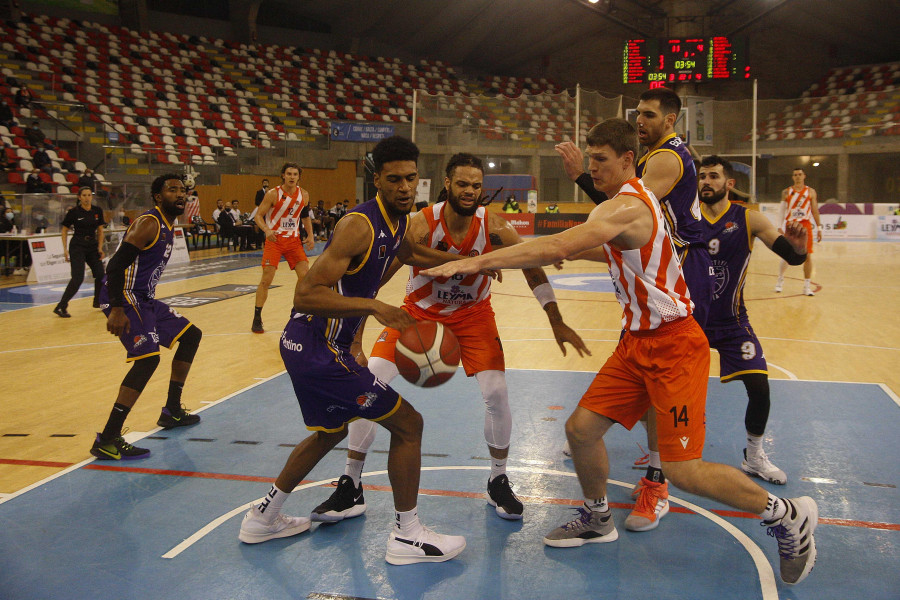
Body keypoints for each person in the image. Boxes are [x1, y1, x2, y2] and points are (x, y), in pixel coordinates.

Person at [421, 119, 819, 586]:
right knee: (581, 430)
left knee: (683, 469)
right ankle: (597, 517)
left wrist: (477, 260)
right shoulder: (620, 208)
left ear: (628, 160)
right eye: (589, 159)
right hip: (636, 343)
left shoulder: (629, 205)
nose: (592, 168)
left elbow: (564, 241)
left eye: (601, 160)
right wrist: (567, 252)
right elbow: (605, 248)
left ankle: (786, 514)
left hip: (674, 344)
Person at [311, 152, 589, 524]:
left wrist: (554, 318)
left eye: (476, 185)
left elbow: (531, 266)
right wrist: (357, 337)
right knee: (370, 383)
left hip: (473, 316)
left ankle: (498, 478)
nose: (470, 191)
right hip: (418, 313)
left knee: (497, 393)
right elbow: (376, 279)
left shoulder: (494, 226)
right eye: (463, 184)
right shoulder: (422, 225)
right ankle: (351, 483)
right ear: (448, 184)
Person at [238, 136, 467, 566]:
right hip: (318, 347)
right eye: (394, 179)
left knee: (331, 432)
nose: (404, 187)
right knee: (409, 425)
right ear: (376, 179)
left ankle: (262, 517)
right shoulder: (359, 225)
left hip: (315, 345)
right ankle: (407, 536)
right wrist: (375, 308)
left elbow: (409, 252)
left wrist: (471, 262)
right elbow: (306, 294)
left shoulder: (398, 220)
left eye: (411, 179)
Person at [558, 88, 713, 532]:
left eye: (649, 114)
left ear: (671, 119)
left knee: (659, 363)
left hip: (681, 269)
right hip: (664, 271)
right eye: (637, 114)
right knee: (643, 363)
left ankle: (659, 480)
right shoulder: (657, 157)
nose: (641, 120)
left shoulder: (665, 158)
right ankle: (637, 450)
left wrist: (581, 183)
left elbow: (625, 211)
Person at [699, 156, 810, 485]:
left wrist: (800, 248)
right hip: (692, 321)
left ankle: (754, 456)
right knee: (654, 381)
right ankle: (599, 431)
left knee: (760, 388)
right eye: (702, 176)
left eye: (714, 176)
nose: (706, 181)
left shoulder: (749, 219)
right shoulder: (685, 218)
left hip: (733, 322)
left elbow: (790, 255)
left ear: (729, 183)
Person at [90, 174, 203, 460]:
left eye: (183, 190)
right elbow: (114, 268)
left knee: (191, 335)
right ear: (157, 197)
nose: (180, 194)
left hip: (143, 297)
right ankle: (108, 437)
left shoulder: (169, 223)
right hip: (124, 295)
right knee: (148, 359)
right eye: (172, 190)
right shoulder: (148, 223)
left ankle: (172, 411)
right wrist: (116, 308)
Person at [251, 163, 315, 333]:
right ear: (283, 175)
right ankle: (257, 316)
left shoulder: (304, 195)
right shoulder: (273, 194)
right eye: (289, 174)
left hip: (293, 241)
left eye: (295, 174)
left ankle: (297, 311)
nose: (292, 177)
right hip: (275, 240)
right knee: (267, 279)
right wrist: (266, 230)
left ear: (299, 177)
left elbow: (305, 216)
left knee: (305, 276)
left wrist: (310, 235)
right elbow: (258, 215)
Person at [53, 187, 106, 318]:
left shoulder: (97, 211)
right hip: (78, 245)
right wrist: (65, 249)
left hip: (92, 246)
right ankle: (61, 306)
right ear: (79, 197)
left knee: (100, 274)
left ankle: (98, 301)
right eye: (84, 195)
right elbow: (64, 230)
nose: (87, 197)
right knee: (78, 278)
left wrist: (100, 247)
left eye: (89, 195)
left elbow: (100, 231)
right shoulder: (74, 212)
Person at [775, 167, 822, 296]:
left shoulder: (811, 192)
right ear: (792, 177)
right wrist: (779, 226)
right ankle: (780, 280)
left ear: (804, 176)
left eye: (800, 174)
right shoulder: (786, 192)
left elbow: (815, 211)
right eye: (795, 175)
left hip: (806, 226)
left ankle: (807, 286)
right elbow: (781, 211)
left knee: (807, 256)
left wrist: (819, 228)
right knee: (786, 255)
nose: (797, 177)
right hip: (791, 226)